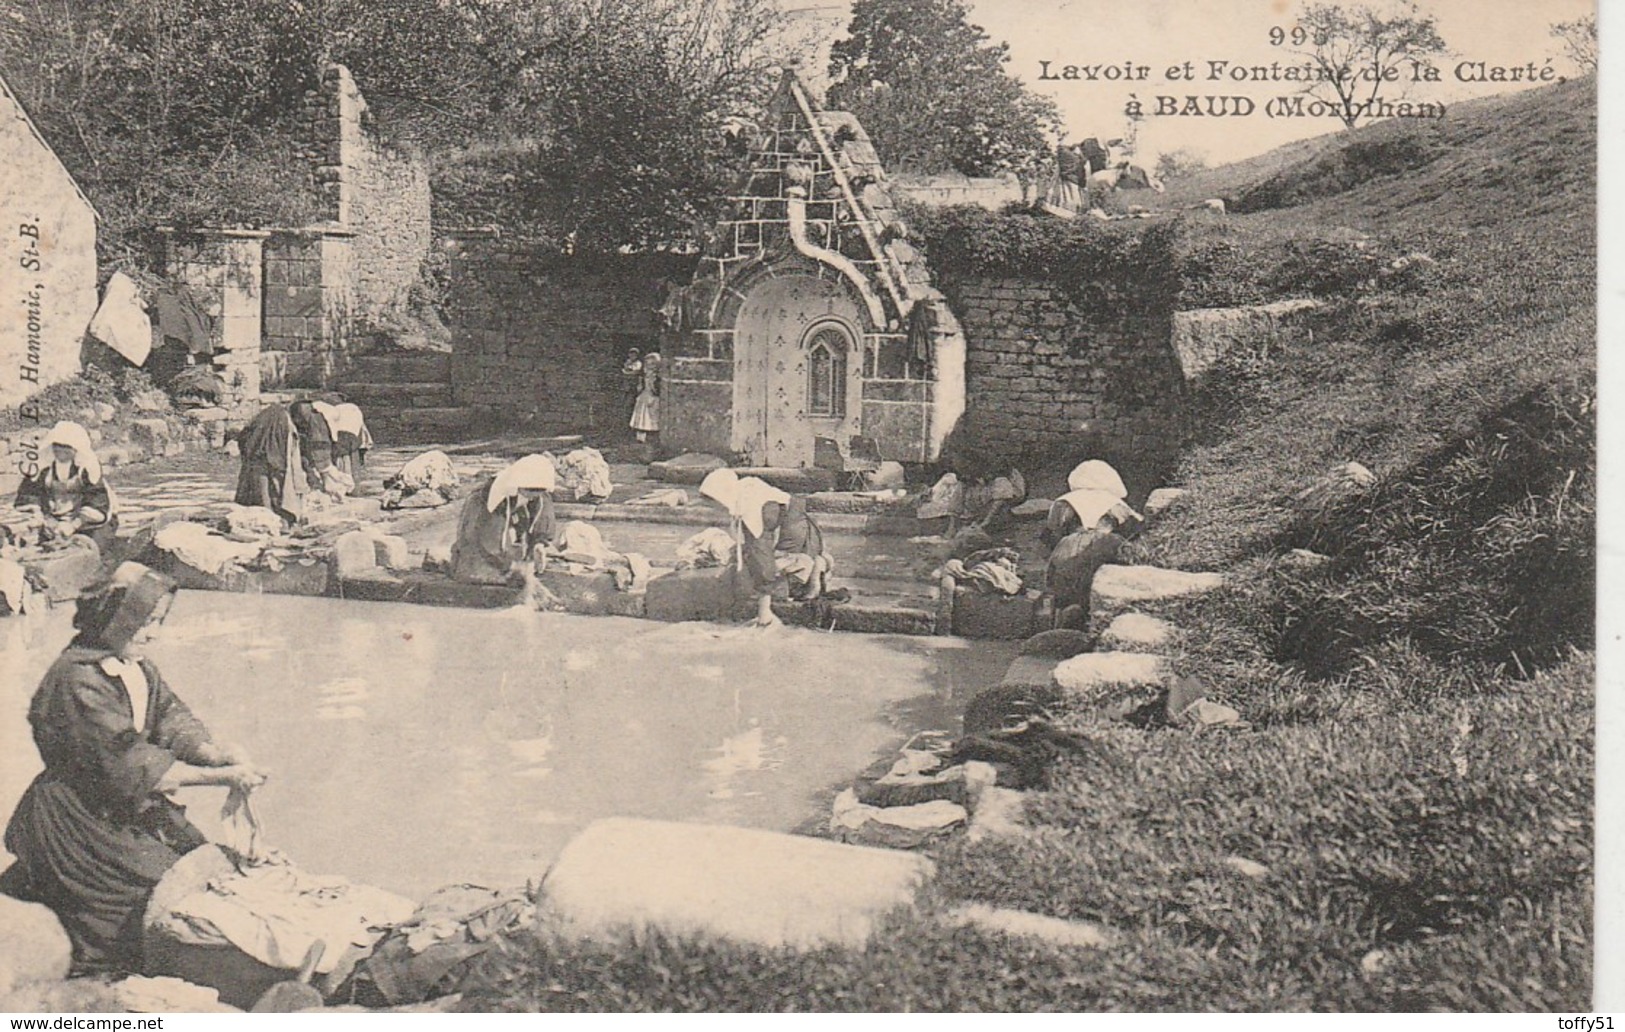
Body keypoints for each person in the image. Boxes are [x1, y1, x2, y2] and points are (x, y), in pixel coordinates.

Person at [0, 563, 267, 974]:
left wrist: (215, 754)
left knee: (197, 862)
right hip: (77, 815)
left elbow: (171, 718)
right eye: (144, 622)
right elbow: (128, 763)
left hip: (127, 803)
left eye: (158, 622)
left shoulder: (136, 666)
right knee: (137, 902)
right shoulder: (77, 679)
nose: (152, 633)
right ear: (114, 618)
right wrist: (222, 778)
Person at [699, 468, 835, 629]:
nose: (717, 509)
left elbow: (761, 556)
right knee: (754, 564)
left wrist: (764, 611)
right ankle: (813, 562)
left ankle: (812, 571)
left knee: (776, 583)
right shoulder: (745, 491)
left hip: (795, 535)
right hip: (797, 527)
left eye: (717, 503)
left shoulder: (752, 509)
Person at [449, 454, 558, 586]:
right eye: (530, 492)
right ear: (519, 485)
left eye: (537, 493)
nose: (532, 497)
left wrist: (540, 543)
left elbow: (543, 513)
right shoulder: (491, 498)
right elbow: (489, 537)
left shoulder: (539, 495)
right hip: (480, 542)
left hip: (507, 540)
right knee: (481, 571)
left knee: (522, 566)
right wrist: (510, 565)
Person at [14, 421, 117, 554]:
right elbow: (30, 494)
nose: (60, 450)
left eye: (66, 446)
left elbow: (97, 501)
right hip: (55, 520)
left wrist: (74, 525)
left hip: (89, 522)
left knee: (88, 551)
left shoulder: (87, 468)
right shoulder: (43, 466)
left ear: (76, 448)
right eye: (57, 445)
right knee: (46, 549)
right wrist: (42, 518)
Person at [1044, 487, 1134, 630]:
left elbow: (1053, 528)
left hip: (1067, 578)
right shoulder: (1115, 507)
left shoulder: (1065, 503)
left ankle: (1064, 616)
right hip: (1100, 579)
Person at [233, 403, 308, 525]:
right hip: (272, 458)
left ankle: (270, 518)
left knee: (262, 494)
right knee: (275, 492)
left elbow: (243, 436)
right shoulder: (285, 423)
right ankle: (277, 519)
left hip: (256, 456)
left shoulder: (263, 416)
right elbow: (288, 460)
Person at [313, 401, 374, 483]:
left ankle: (346, 481)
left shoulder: (339, 412)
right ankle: (349, 481)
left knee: (344, 455)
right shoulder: (349, 410)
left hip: (346, 433)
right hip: (349, 434)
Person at [630, 352, 662, 446]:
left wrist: (653, 385)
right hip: (645, 395)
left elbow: (656, 389)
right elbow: (641, 386)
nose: (650, 366)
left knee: (653, 415)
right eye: (648, 364)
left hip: (653, 397)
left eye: (653, 364)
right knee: (641, 414)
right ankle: (640, 435)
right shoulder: (644, 375)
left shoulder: (657, 376)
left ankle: (653, 434)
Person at [620, 349, 644, 428]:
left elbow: (635, 372)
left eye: (634, 355)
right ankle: (624, 421)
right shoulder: (628, 362)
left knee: (630, 403)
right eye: (631, 354)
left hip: (633, 386)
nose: (632, 356)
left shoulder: (638, 363)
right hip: (626, 386)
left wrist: (627, 372)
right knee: (624, 403)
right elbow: (624, 370)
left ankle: (630, 422)